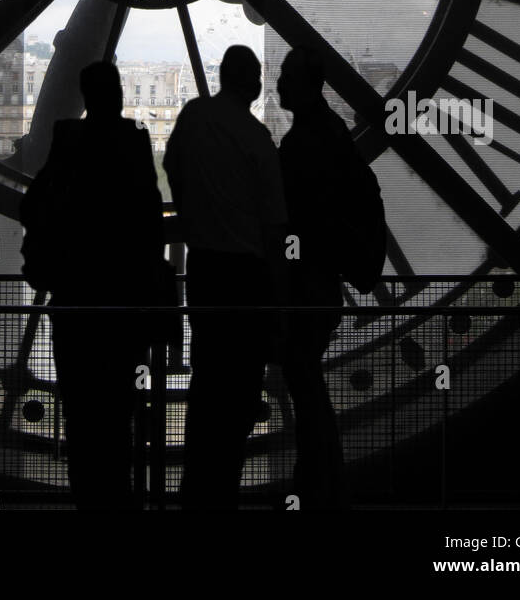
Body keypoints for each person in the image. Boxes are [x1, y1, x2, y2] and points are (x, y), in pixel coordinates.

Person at [19, 61, 165, 510]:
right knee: (118, 414)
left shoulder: (68, 141)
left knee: (82, 416)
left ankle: (90, 499)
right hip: (122, 303)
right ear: (117, 92)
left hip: (77, 300)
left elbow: (35, 206)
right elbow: (149, 222)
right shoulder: (133, 142)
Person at [163, 45, 288, 510]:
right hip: (246, 274)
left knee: (209, 381)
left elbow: (174, 168)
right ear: (254, 83)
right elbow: (275, 226)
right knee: (238, 389)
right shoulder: (258, 140)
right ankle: (220, 490)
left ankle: (198, 489)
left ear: (222, 76)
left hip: (207, 268)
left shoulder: (195, 117)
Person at [276, 47, 387, 508]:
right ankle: (322, 480)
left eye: (283, 77)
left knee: (304, 384)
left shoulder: (305, 141)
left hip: (308, 284)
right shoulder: (328, 133)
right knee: (307, 385)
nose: (279, 85)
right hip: (321, 282)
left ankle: (319, 476)